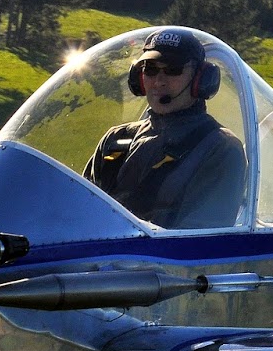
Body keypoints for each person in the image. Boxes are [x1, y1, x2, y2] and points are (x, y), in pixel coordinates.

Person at [84, 28, 247, 228]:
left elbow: (198, 245)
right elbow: (79, 213)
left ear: (200, 79)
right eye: (150, 69)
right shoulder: (115, 140)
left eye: (173, 69)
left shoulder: (220, 149)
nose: (159, 81)